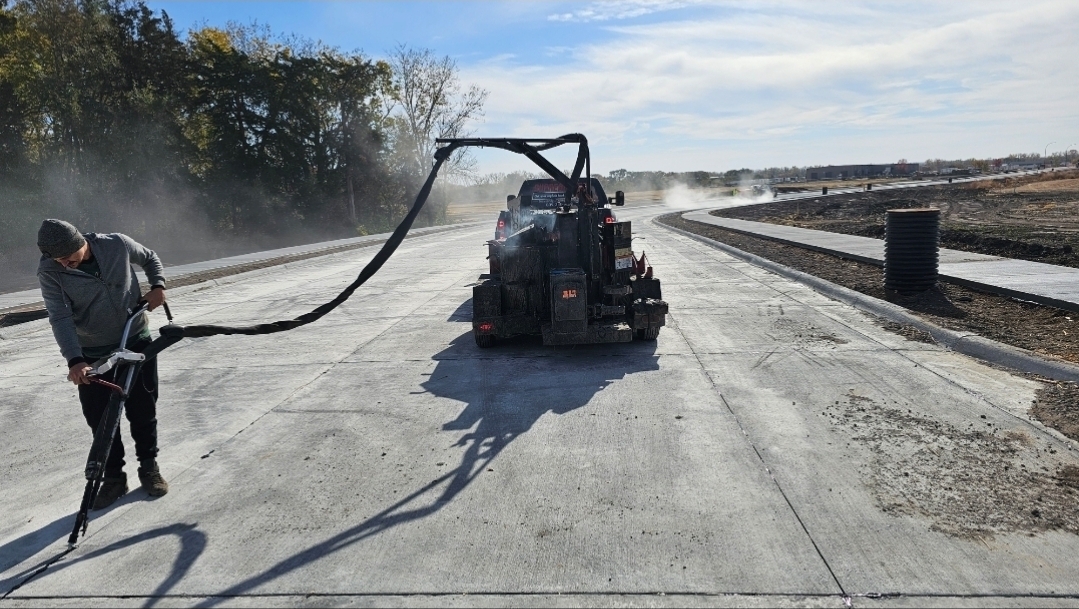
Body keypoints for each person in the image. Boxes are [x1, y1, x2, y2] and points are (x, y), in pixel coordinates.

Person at [37, 219, 170, 509]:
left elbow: (150, 258)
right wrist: (75, 360)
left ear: (80, 243)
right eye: (58, 259)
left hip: (135, 341)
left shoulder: (116, 245)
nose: (65, 264)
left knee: (143, 409)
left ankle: (149, 466)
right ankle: (113, 480)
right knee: (100, 419)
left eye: (68, 257)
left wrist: (157, 285)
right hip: (93, 355)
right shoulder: (51, 271)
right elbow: (59, 317)